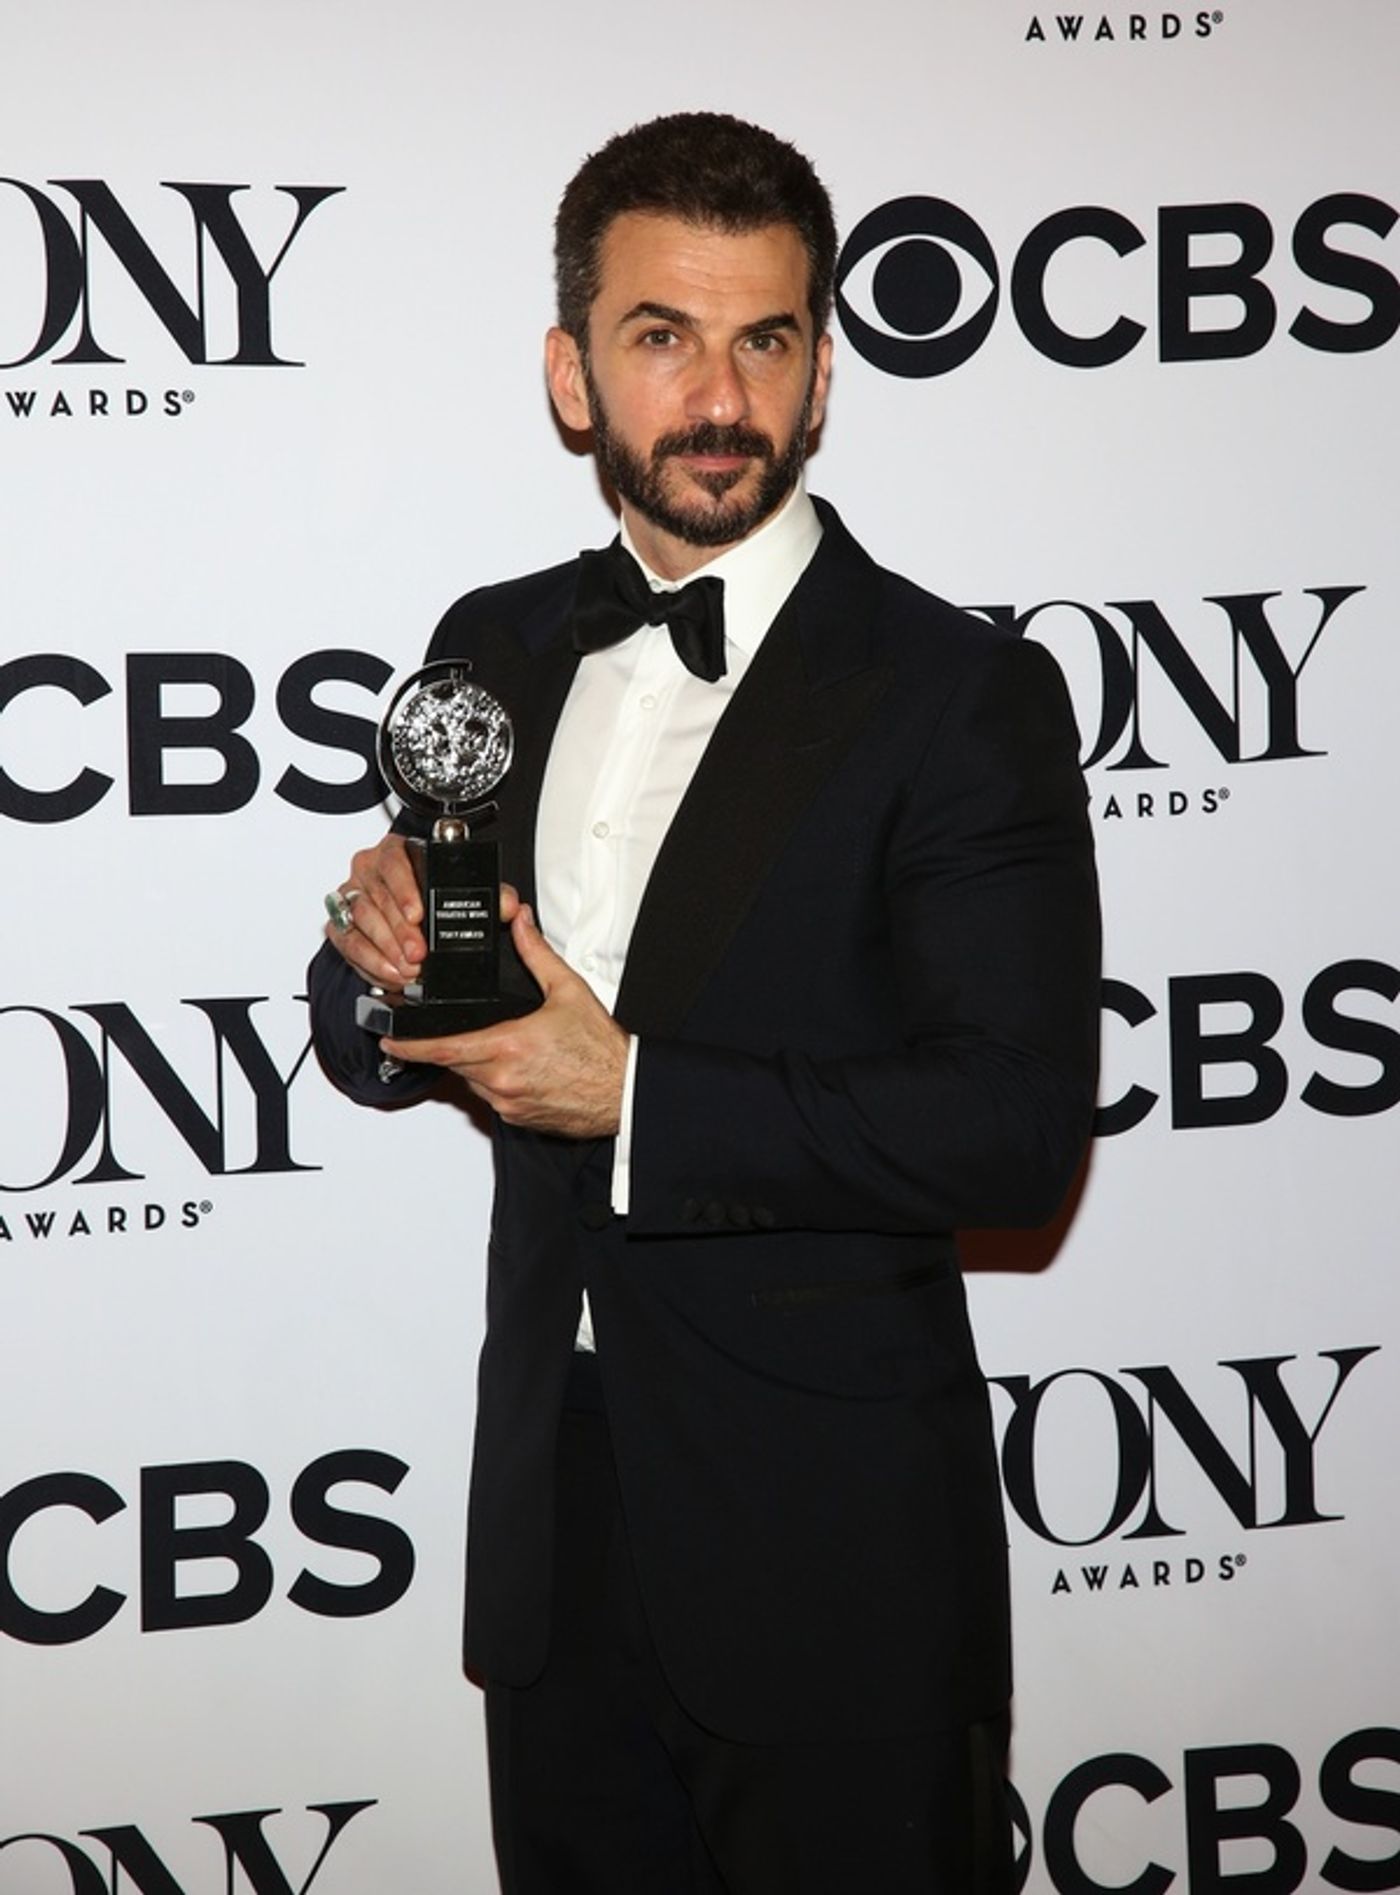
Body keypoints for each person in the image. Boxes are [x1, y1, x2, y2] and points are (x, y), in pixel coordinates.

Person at [309, 111, 1100, 1895]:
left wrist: (636, 1093)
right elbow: (397, 1027)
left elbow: (1012, 1127)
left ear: (822, 374)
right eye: (664, 337)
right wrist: (374, 965)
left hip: (830, 1555)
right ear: (572, 374)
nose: (722, 398)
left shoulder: (957, 692)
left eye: (767, 341)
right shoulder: (496, 643)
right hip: (557, 1525)